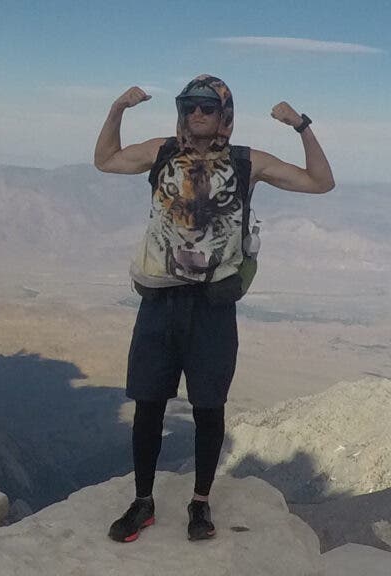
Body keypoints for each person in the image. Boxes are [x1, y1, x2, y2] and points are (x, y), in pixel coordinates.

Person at [93, 75, 334, 542]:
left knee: (209, 408)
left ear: (224, 113)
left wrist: (300, 125)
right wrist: (118, 108)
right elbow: (104, 160)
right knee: (148, 405)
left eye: (206, 106)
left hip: (212, 305)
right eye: (189, 106)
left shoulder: (247, 162)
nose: (196, 113)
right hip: (160, 298)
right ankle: (143, 502)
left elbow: (321, 183)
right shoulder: (161, 151)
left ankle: (200, 504)